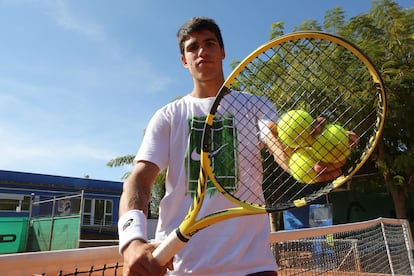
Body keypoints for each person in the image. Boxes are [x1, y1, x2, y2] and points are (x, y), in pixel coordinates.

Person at [118, 16, 348, 276]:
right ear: (184, 60)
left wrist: (312, 160)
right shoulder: (168, 116)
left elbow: (278, 145)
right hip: (183, 267)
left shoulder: (255, 105)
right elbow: (138, 180)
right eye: (192, 47)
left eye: (210, 43)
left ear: (223, 51)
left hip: (253, 266)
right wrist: (132, 240)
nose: (202, 51)